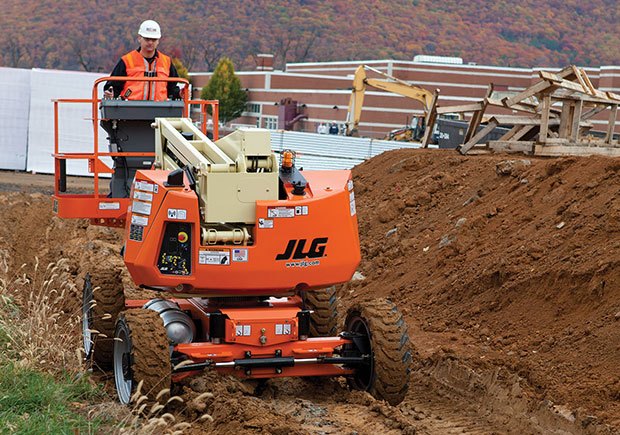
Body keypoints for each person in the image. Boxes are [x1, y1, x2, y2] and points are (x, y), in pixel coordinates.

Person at [103, 20, 180, 101]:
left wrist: (179, 94)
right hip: (130, 109)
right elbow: (112, 86)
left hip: (159, 109)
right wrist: (110, 94)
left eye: (153, 39)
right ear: (139, 38)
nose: (150, 42)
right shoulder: (127, 61)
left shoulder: (166, 62)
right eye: (147, 39)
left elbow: (172, 88)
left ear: (158, 41)